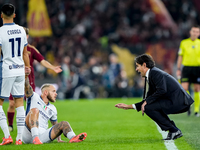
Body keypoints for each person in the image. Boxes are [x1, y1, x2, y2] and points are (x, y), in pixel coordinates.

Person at [115, 54, 194, 140]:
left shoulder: (155, 73)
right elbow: (148, 99)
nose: (136, 69)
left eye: (137, 66)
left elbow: (162, 90)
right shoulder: (152, 74)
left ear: (144, 65)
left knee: (149, 107)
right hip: (175, 100)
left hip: (179, 101)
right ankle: (173, 130)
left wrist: (146, 102)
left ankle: (174, 130)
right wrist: (128, 106)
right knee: (148, 105)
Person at [7, 27, 62, 132]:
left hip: (28, 82)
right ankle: (10, 125)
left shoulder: (31, 49)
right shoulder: (12, 49)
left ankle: (27, 126)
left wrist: (52, 67)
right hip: (15, 80)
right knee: (12, 103)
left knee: (29, 104)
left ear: (27, 37)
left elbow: (42, 60)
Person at [22, 67, 87, 144]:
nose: (56, 94)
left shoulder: (53, 108)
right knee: (35, 110)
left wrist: (58, 139)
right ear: (45, 92)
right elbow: (27, 86)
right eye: (53, 91)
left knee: (64, 123)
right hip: (28, 134)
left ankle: (73, 138)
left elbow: (55, 125)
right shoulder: (34, 97)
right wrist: (25, 76)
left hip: (42, 135)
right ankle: (35, 138)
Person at [0, 3, 30, 145]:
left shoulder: (0, 32)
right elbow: (25, 53)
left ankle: (7, 136)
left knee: (0, 103)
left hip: (6, 70)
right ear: (14, 15)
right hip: (20, 69)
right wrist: (28, 67)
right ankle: (19, 138)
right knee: (19, 103)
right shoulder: (21, 30)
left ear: (1, 15)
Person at [176, 25, 200, 117]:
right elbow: (180, 56)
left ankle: (197, 110)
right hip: (186, 68)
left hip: (197, 68)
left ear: (199, 33)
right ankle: (189, 105)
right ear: (190, 32)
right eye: (193, 31)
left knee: (197, 89)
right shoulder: (184, 43)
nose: (195, 33)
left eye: (197, 32)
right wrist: (178, 68)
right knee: (184, 88)